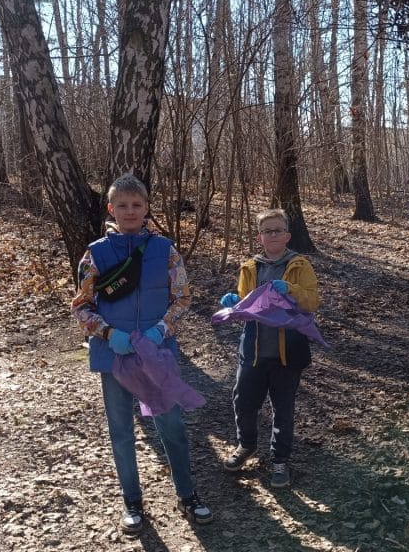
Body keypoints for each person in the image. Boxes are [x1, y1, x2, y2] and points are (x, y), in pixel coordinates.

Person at [71, 174, 213, 534]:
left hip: (157, 353)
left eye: (137, 205)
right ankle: (132, 501)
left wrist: (160, 331)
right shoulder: (95, 253)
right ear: (111, 209)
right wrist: (108, 333)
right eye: (122, 205)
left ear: (147, 207)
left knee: (172, 426)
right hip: (113, 354)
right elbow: (82, 305)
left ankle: (187, 493)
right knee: (121, 431)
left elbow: (182, 298)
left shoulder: (166, 250)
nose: (130, 211)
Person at [218, 208, 319, 488]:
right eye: (267, 231)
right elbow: (244, 304)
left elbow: (311, 302)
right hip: (252, 351)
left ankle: (279, 460)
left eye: (277, 230)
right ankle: (246, 445)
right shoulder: (250, 267)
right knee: (244, 402)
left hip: (289, 353)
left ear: (287, 235)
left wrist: (290, 289)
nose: (272, 235)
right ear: (259, 237)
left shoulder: (300, 265)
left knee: (283, 409)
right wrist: (231, 303)